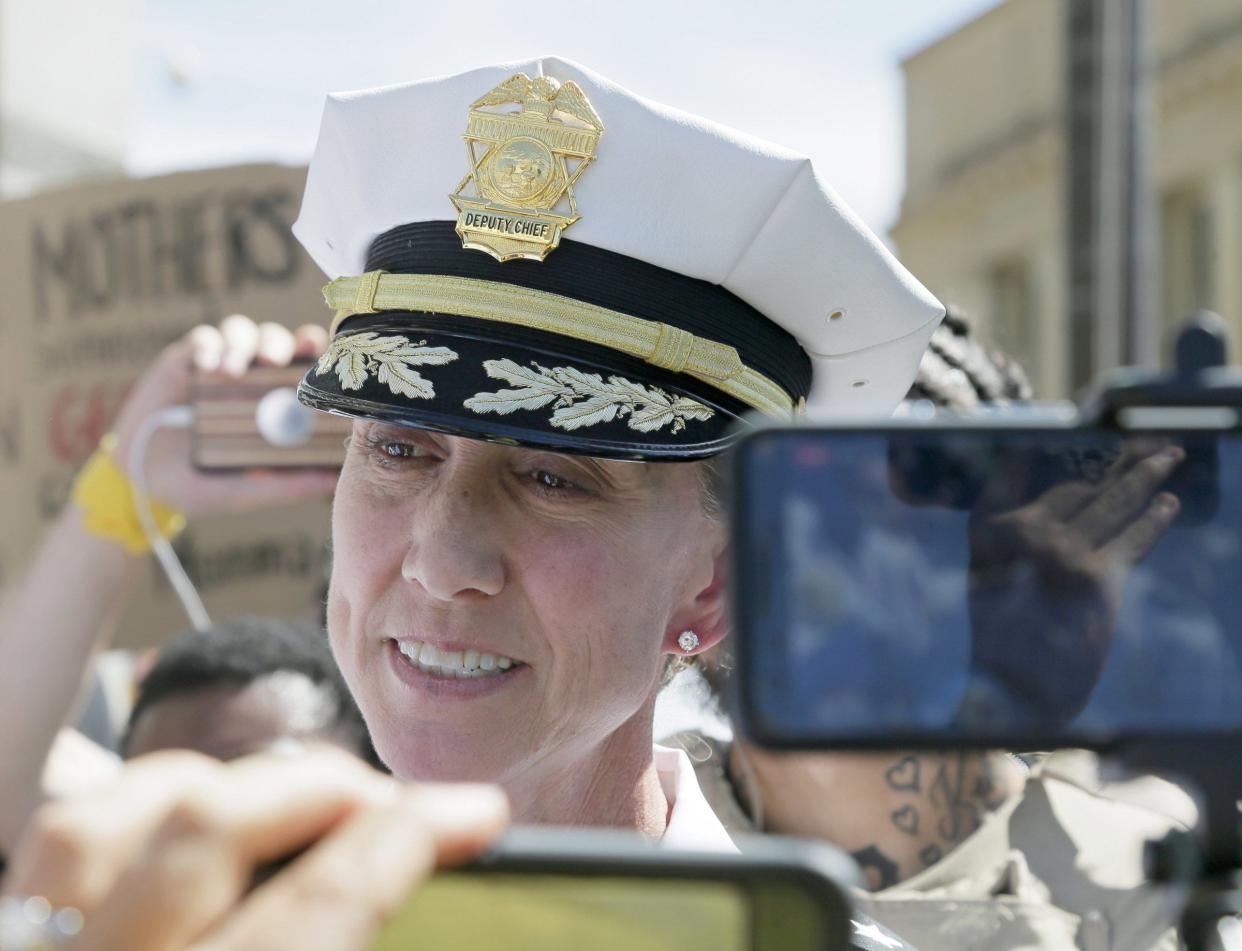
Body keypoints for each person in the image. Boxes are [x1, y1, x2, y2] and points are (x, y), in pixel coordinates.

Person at [0, 55, 943, 865]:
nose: (442, 560)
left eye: (553, 478)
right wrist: (120, 491)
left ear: (713, 586)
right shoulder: (215, 907)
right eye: (399, 449)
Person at [664, 315, 1195, 950]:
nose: (825, 569)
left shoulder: (1168, 888)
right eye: (776, 492)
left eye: (905, 509)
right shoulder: (610, 848)